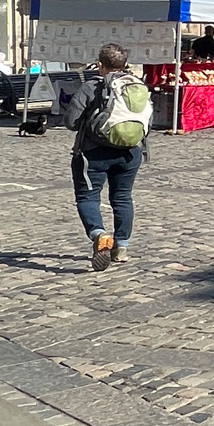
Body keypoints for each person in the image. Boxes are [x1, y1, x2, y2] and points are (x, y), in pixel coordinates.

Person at [61, 42, 153, 270]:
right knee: (122, 197)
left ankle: (99, 234)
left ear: (100, 65)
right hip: (131, 152)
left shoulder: (92, 86)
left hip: (94, 153)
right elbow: (148, 122)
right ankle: (121, 247)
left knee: (87, 197)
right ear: (125, 65)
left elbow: (71, 122)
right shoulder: (137, 86)